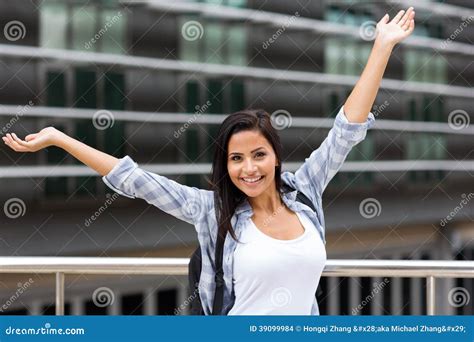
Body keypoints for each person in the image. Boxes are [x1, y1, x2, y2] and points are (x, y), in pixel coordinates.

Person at [3, 8, 415, 315]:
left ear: (275, 157)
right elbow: (132, 179)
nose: (248, 168)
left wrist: (381, 47)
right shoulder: (212, 210)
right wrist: (60, 138)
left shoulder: (305, 192)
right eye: (236, 158)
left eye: (258, 155)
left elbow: (347, 129)